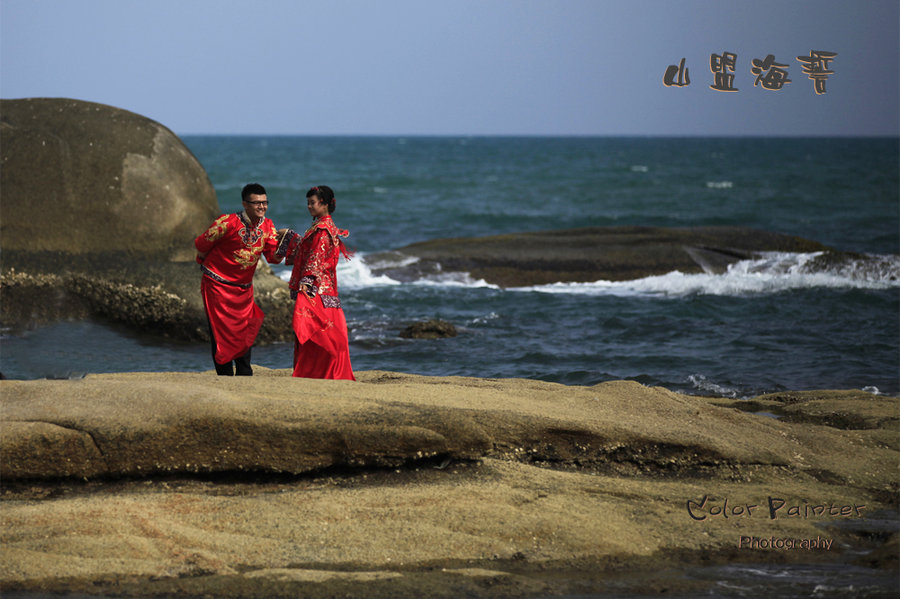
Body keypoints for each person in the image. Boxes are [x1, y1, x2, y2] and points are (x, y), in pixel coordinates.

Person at [194, 183, 280, 375]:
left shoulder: (268, 226)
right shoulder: (227, 222)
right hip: (217, 285)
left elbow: (274, 257)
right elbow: (201, 243)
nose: (262, 207)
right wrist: (204, 258)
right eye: (256, 203)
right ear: (245, 204)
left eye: (265, 203)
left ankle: (244, 374)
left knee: (245, 330)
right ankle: (224, 376)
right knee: (220, 332)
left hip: (243, 289)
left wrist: (288, 243)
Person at [276, 185, 355, 380]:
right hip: (327, 290)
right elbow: (308, 249)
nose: (309, 206)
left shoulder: (321, 229)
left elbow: (315, 258)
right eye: (308, 203)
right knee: (327, 331)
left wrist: (307, 281)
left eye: (313, 203)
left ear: (324, 204)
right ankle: (323, 372)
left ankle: (317, 373)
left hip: (317, 289)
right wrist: (291, 237)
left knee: (314, 329)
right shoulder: (324, 226)